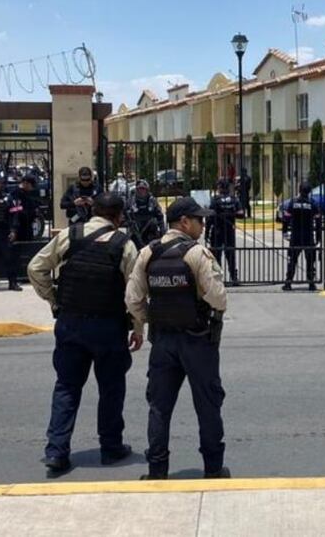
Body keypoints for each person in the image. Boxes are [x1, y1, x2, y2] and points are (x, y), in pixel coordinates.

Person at [27, 193, 141, 478]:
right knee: (111, 389)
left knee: (66, 387)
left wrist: (54, 299)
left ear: (93, 211)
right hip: (109, 327)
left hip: (71, 323)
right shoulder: (124, 245)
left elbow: (35, 268)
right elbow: (135, 292)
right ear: (119, 216)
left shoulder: (69, 235)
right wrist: (139, 328)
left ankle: (56, 452)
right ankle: (111, 447)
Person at [125, 197, 230, 480]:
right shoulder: (198, 254)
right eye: (199, 219)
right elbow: (219, 299)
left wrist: (150, 319)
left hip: (163, 342)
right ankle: (213, 468)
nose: (203, 223)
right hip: (197, 340)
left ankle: (157, 470)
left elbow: (133, 299)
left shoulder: (148, 253)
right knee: (207, 405)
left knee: (159, 407)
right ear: (185, 222)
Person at [282, 181, 322, 292]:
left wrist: (285, 232)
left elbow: (286, 218)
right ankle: (311, 283)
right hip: (308, 237)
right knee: (310, 261)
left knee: (292, 260)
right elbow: (318, 221)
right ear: (309, 191)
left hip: (296, 236)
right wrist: (319, 236)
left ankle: (288, 282)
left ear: (299, 190)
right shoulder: (312, 203)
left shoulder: (293, 202)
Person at [206, 178, 242, 287]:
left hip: (217, 231)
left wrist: (207, 232)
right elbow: (241, 213)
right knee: (230, 255)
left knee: (216, 256)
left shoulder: (215, 200)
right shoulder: (234, 199)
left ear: (220, 188)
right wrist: (231, 214)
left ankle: (217, 279)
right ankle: (234, 278)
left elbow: (210, 217)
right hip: (229, 230)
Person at [126, 179, 165, 249]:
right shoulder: (130, 201)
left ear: (147, 190)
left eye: (143, 189)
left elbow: (160, 217)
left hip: (150, 231)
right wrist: (129, 224)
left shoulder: (152, 201)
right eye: (139, 189)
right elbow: (124, 216)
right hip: (136, 231)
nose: (141, 191)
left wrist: (163, 233)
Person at [14, 173, 41, 242]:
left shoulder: (29, 193)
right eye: (31, 185)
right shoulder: (18, 193)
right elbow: (16, 209)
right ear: (26, 183)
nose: (32, 188)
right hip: (19, 226)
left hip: (28, 225)